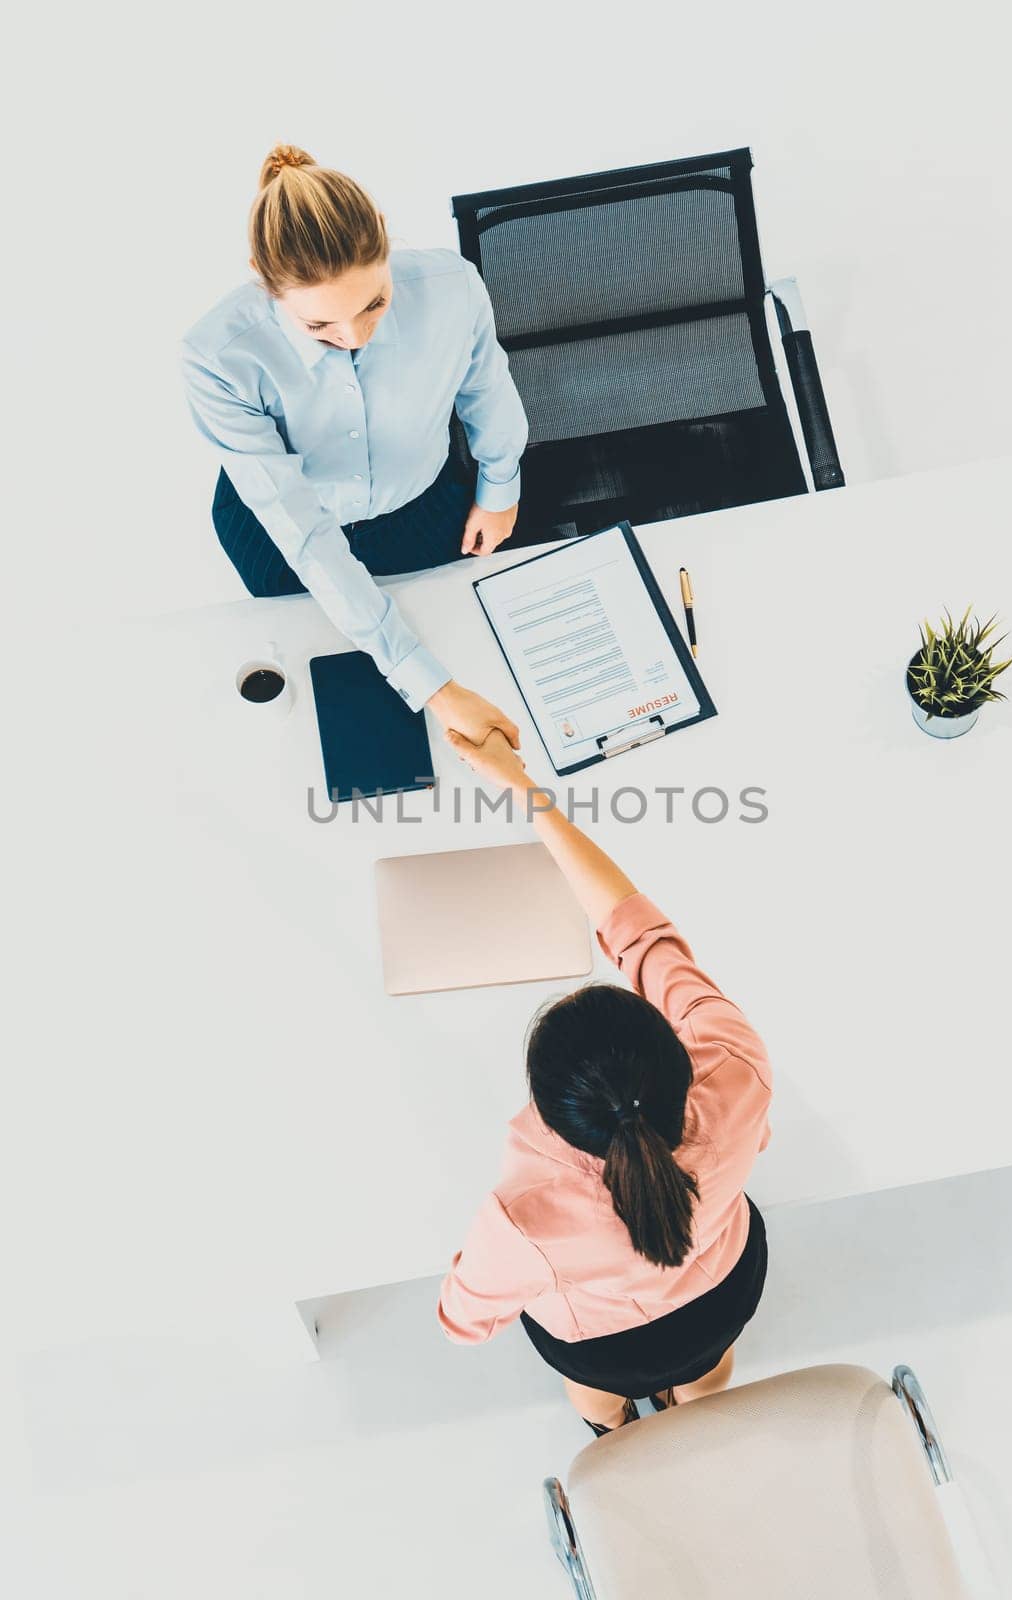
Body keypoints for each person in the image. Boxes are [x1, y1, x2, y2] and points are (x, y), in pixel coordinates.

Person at [437, 730, 773, 1435]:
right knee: (708, 1374)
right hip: (720, 1295)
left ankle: (617, 1436)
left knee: (593, 1398)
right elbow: (646, 940)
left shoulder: (523, 1214)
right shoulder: (735, 1068)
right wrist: (529, 795)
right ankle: (699, 1418)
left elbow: (462, 1323)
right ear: (678, 1059)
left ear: (553, 1113)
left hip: (606, 1351)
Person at [179, 144, 528, 746]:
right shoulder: (216, 357)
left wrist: (500, 485)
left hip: (420, 504)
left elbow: (486, 387)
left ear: (387, 243)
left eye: (374, 304)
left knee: (461, 635)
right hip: (283, 532)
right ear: (266, 288)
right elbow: (305, 533)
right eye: (318, 327)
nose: (354, 336)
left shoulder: (453, 286)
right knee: (323, 678)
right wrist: (433, 689)